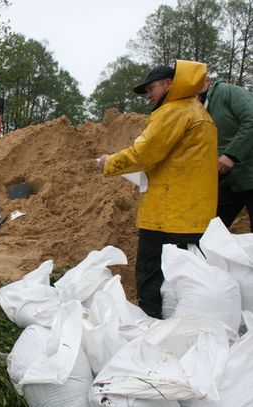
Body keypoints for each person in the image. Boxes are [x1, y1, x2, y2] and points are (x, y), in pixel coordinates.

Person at [96, 60, 218, 319]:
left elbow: (144, 153)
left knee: (151, 271)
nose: (148, 96)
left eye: (151, 88)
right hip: (192, 212)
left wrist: (109, 163)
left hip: (168, 213)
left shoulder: (173, 112)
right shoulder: (198, 112)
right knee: (185, 276)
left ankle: (150, 322)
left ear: (169, 84)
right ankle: (182, 323)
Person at [199, 77, 253, 231]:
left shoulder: (228, 92)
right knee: (209, 229)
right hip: (231, 180)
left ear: (207, 80)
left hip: (249, 173)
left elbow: (251, 120)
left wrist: (231, 155)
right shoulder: (198, 107)